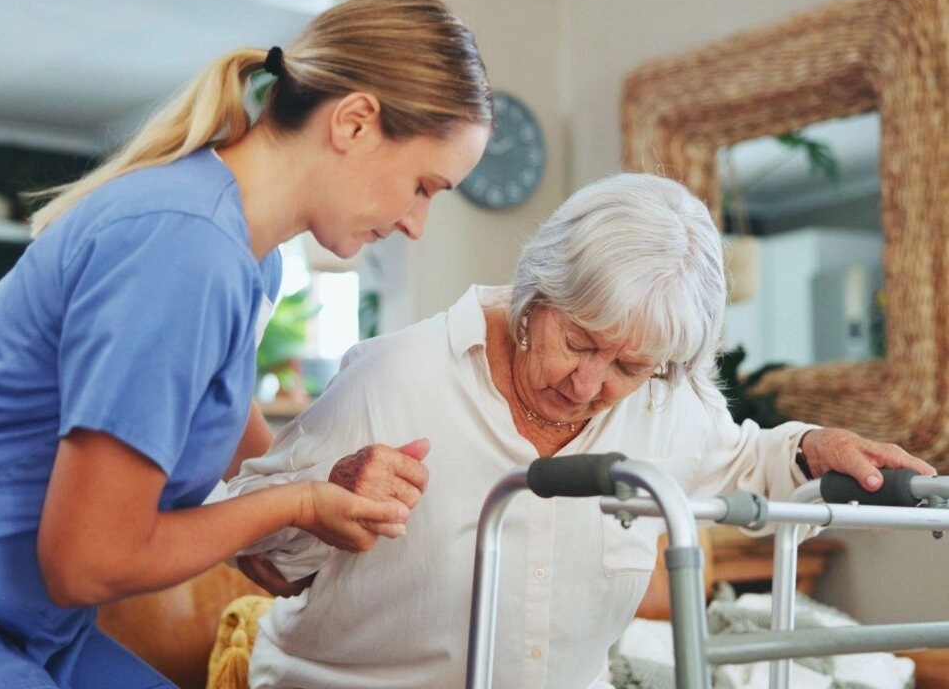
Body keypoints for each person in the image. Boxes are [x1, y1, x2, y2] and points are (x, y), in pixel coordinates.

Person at [0, 0, 491, 688]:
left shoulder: (249, 261)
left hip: (7, 615)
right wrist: (299, 504)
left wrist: (314, 500)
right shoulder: (183, 248)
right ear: (353, 122)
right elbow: (88, 563)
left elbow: (251, 485)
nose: (417, 223)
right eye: (423, 186)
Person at [222, 173, 937, 689]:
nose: (590, 385)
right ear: (538, 297)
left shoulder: (663, 403)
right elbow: (262, 556)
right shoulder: (395, 376)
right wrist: (330, 493)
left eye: (629, 364)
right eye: (580, 342)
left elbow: (749, 460)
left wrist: (811, 447)